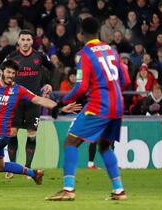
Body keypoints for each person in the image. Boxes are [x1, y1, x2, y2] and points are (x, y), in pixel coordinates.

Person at [45, 17, 131, 201]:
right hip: (117, 105)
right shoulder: (111, 50)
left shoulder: (85, 53)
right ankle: (119, 190)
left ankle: (68, 189)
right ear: (99, 31)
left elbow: (82, 87)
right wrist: (112, 92)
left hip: (99, 105)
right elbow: (125, 80)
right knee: (105, 146)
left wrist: (60, 102)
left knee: (70, 142)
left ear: (81, 34)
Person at [4, 30, 56, 179]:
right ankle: (13, 168)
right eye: (23, 39)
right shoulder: (12, 57)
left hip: (34, 101)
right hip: (15, 102)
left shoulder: (39, 56)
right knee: (12, 132)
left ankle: (27, 168)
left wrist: (48, 83)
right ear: (18, 41)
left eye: (28, 39)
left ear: (32, 42)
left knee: (31, 134)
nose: (25, 42)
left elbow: (52, 68)